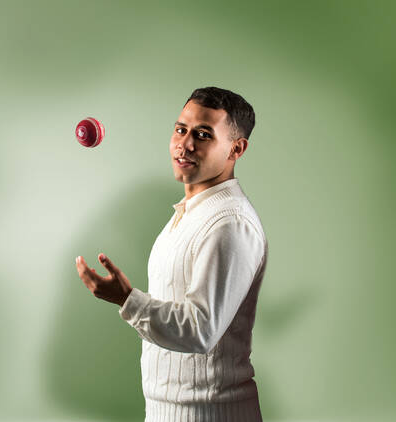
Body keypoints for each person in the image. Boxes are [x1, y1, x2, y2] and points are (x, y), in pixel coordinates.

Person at [75, 86, 268, 421]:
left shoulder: (229, 222)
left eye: (204, 134)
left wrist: (127, 299)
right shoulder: (190, 213)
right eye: (181, 129)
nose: (186, 144)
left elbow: (200, 329)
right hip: (167, 412)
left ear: (236, 149)